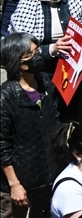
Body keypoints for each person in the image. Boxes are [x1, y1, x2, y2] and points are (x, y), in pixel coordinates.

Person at [9, 0, 82, 122]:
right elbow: (21, 45)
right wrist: (51, 49)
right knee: (48, 117)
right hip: (41, 70)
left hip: (72, 68)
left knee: (73, 117)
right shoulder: (29, 2)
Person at [0, 31, 60, 218]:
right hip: (18, 185)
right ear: (17, 61)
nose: (37, 56)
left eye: (37, 51)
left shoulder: (46, 83)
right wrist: (14, 184)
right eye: (31, 54)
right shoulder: (6, 97)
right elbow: (2, 145)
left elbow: (55, 123)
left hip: (45, 177)